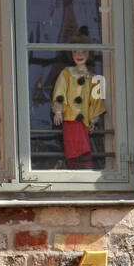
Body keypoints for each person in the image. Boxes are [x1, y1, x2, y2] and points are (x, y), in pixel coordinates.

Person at [51, 26, 105, 169]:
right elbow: (60, 91)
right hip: (70, 118)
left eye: (83, 52)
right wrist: (58, 110)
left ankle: (83, 169)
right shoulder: (66, 73)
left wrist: (94, 119)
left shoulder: (94, 77)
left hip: (84, 121)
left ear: (89, 54)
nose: (79, 55)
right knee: (73, 149)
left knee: (84, 150)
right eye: (76, 51)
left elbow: (96, 100)